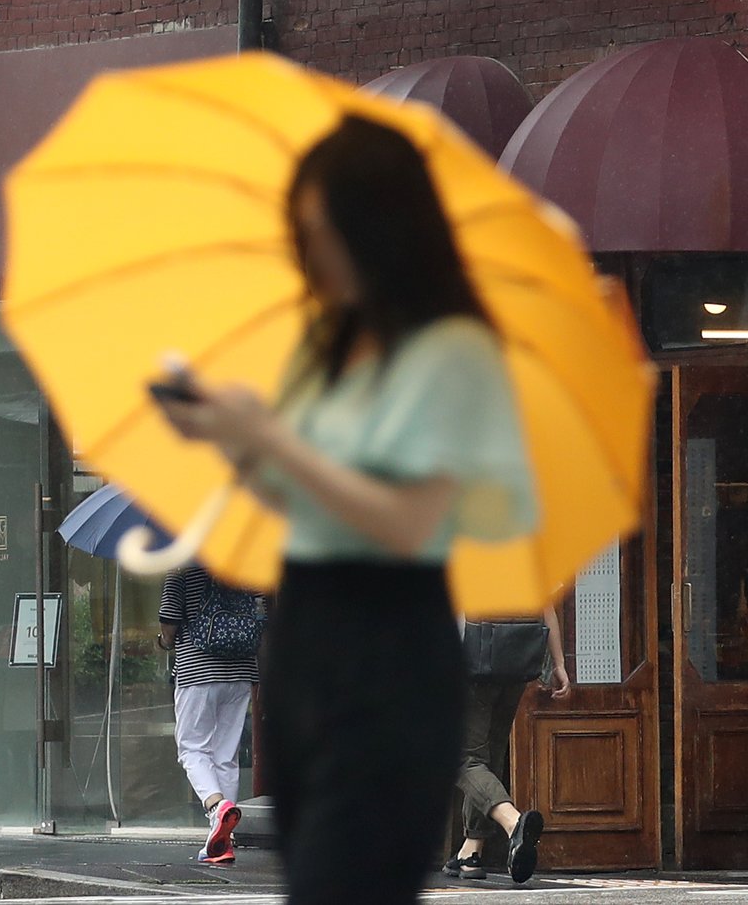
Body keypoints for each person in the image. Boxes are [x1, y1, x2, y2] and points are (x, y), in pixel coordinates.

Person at [153, 115, 537, 904]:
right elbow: (298, 500)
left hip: (390, 653)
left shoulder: (449, 350)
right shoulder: (327, 344)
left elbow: (412, 519)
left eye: (323, 229)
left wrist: (275, 440)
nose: (309, 251)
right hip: (307, 650)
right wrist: (230, 441)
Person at [445, 606, 570, 884]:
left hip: (474, 660)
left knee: (463, 757)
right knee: (488, 755)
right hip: (515, 660)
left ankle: (513, 823)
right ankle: (471, 852)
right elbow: (546, 606)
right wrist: (558, 664)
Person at [157, 565, 260, 865]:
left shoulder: (181, 567)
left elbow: (169, 623)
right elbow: (260, 618)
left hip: (198, 671)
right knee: (225, 755)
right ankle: (221, 842)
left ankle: (217, 807)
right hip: (241, 670)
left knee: (191, 748)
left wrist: (163, 641)